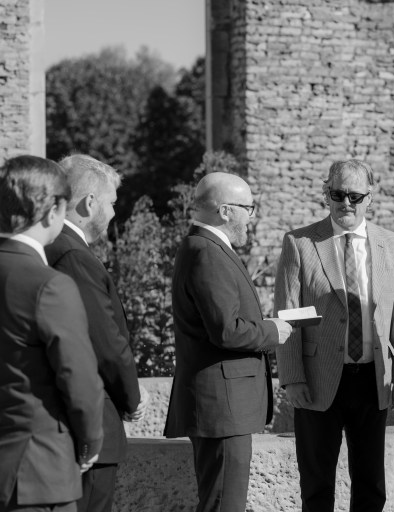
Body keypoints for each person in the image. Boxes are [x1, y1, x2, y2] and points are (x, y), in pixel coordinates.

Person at [275, 159, 394, 512]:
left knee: (371, 485)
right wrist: (292, 377)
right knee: (316, 486)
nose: (346, 203)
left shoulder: (393, 244)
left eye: (355, 196)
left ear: (370, 197)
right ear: (326, 193)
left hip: (373, 379)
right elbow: (288, 316)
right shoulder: (300, 243)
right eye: (337, 194)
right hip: (318, 378)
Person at [0, 155, 104, 512]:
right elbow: (79, 379)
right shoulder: (49, 285)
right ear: (52, 212)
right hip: (39, 472)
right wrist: (90, 443)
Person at [164, 172, 292, 512]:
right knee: (224, 504)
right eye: (248, 208)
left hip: (222, 406)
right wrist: (272, 331)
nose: (252, 217)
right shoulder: (206, 251)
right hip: (221, 407)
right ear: (225, 211)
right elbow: (226, 330)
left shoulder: (205, 247)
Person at [44, 154, 147, 512]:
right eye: (112, 202)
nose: (114, 212)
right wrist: (132, 397)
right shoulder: (73, 256)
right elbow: (103, 342)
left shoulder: (53, 247)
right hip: (88, 426)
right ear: (89, 203)